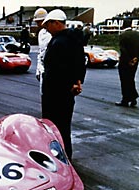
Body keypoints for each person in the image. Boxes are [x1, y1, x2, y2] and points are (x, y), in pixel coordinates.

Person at [42, 9, 86, 161]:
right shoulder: (74, 39)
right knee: (64, 126)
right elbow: (80, 62)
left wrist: (70, 82)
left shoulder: (59, 41)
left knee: (54, 126)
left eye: (48, 24)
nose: (46, 28)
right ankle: (66, 155)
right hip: (66, 91)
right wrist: (77, 81)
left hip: (55, 92)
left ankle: (60, 157)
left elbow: (57, 68)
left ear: (56, 23)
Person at [115, 19, 139, 108]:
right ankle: (133, 98)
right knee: (131, 79)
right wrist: (136, 58)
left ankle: (125, 100)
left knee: (124, 80)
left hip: (125, 61)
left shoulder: (122, 35)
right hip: (135, 61)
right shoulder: (138, 34)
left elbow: (123, 49)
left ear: (123, 25)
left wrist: (129, 60)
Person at [33, 8, 52, 93]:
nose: (38, 24)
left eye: (39, 21)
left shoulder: (53, 32)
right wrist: (38, 69)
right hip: (42, 69)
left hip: (51, 69)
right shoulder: (41, 33)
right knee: (43, 94)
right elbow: (40, 52)